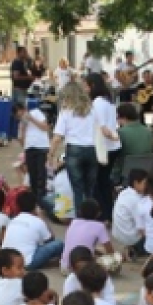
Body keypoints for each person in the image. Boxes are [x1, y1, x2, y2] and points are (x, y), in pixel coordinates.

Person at [51, 82, 99, 211]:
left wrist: (50, 154)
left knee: (78, 190)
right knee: (90, 189)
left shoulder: (66, 111)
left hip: (74, 150)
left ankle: (81, 219)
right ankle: (91, 217)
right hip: (92, 149)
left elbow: (57, 137)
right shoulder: (92, 109)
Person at [2, 190, 64, 270]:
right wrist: (42, 218)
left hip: (8, 261)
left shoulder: (13, 220)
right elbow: (51, 240)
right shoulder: (37, 221)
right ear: (35, 206)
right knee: (59, 244)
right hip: (27, 263)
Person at [88, 73, 122, 220]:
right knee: (104, 181)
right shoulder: (109, 102)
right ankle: (108, 213)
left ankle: (104, 214)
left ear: (93, 86)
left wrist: (114, 136)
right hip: (113, 147)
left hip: (104, 148)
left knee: (98, 182)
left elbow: (104, 129)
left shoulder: (97, 103)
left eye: (86, 85)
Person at [17, 103, 53, 206]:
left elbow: (45, 127)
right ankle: (34, 199)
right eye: (18, 115)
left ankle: (41, 199)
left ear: (23, 109)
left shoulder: (36, 113)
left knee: (41, 173)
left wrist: (31, 119)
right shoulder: (21, 122)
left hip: (41, 147)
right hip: (29, 149)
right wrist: (23, 128)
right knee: (32, 174)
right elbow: (20, 138)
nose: (20, 116)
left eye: (20, 113)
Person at [62, 201, 112, 270]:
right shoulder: (100, 226)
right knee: (110, 260)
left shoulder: (74, 222)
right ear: (98, 213)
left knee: (98, 250)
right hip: (83, 270)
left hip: (64, 267)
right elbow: (110, 250)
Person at [112, 169, 147, 253]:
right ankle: (134, 249)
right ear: (136, 183)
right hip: (131, 237)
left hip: (118, 234)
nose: (147, 186)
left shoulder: (124, 192)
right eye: (145, 183)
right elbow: (142, 227)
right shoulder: (135, 200)